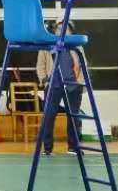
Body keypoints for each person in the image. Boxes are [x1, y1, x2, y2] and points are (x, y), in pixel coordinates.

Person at [36, 27, 84, 155]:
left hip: (72, 85)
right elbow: (40, 65)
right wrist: (44, 81)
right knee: (48, 116)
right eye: (59, 28)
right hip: (53, 85)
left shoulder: (77, 46)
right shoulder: (47, 46)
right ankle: (47, 148)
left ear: (70, 32)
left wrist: (80, 83)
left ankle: (73, 147)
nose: (62, 31)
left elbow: (83, 64)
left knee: (74, 117)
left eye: (66, 28)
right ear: (55, 31)